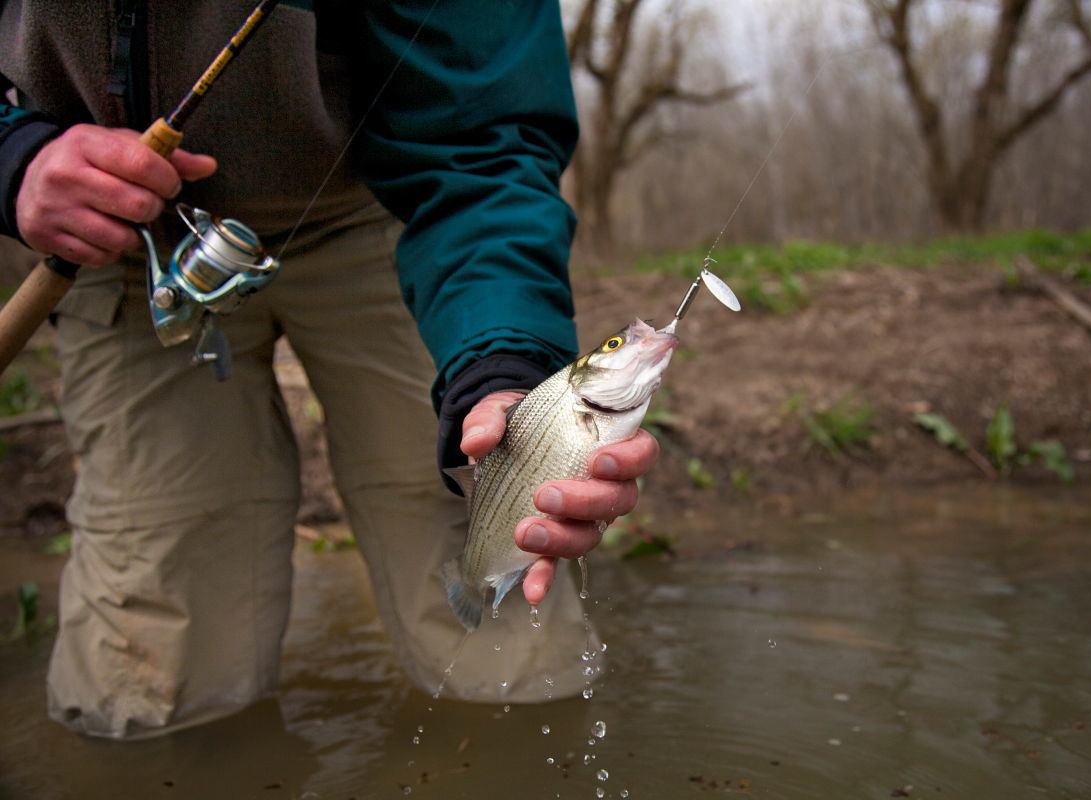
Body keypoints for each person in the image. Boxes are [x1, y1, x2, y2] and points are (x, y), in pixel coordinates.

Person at [0, 1, 657, 739]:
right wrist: (14, 155)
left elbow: (484, 135)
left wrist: (501, 363)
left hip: (395, 210)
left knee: (491, 590)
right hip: (114, 240)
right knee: (150, 662)